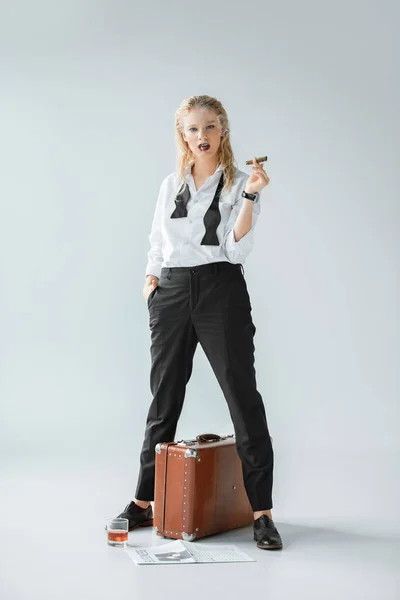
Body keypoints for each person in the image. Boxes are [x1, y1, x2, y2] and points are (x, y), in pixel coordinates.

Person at [114, 95, 283, 550]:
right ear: (182, 135)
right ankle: (143, 501)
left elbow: (234, 250)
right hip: (170, 292)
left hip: (219, 288)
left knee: (241, 395)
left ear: (222, 130)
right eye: (192, 129)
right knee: (163, 398)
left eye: (210, 127)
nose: (201, 136)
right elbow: (156, 240)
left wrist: (250, 196)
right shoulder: (171, 184)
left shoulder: (240, 182)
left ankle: (262, 512)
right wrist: (152, 283)